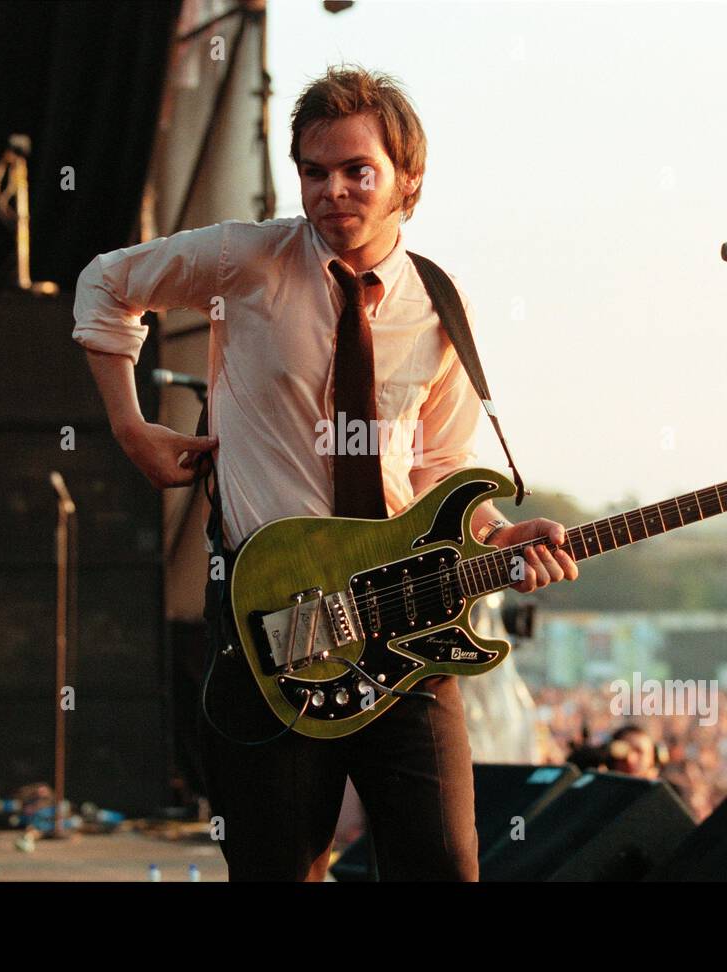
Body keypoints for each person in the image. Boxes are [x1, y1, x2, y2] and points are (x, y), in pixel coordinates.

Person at [73, 66, 577, 880]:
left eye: (356, 171)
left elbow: (443, 465)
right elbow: (105, 284)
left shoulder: (442, 304)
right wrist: (130, 427)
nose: (331, 190)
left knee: (445, 867)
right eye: (314, 171)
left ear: (407, 181)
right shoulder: (246, 258)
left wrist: (497, 531)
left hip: (403, 621)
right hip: (270, 618)